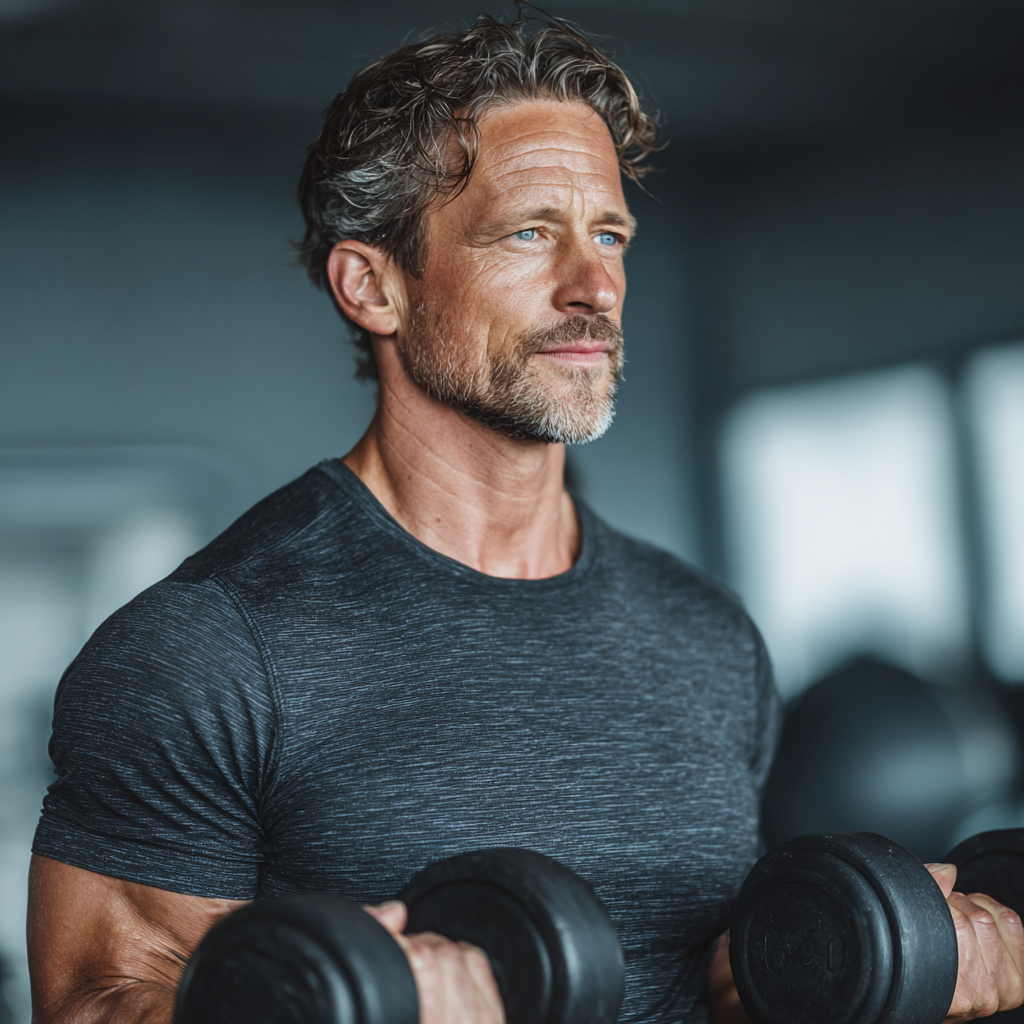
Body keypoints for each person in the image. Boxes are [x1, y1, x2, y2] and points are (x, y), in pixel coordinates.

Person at [26, 10, 1024, 1024]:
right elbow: (99, 1005)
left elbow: (703, 980)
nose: (594, 286)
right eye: (530, 232)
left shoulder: (703, 634)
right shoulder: (205, 646)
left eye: (608, 235)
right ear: (373, 285)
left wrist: (880, 964)